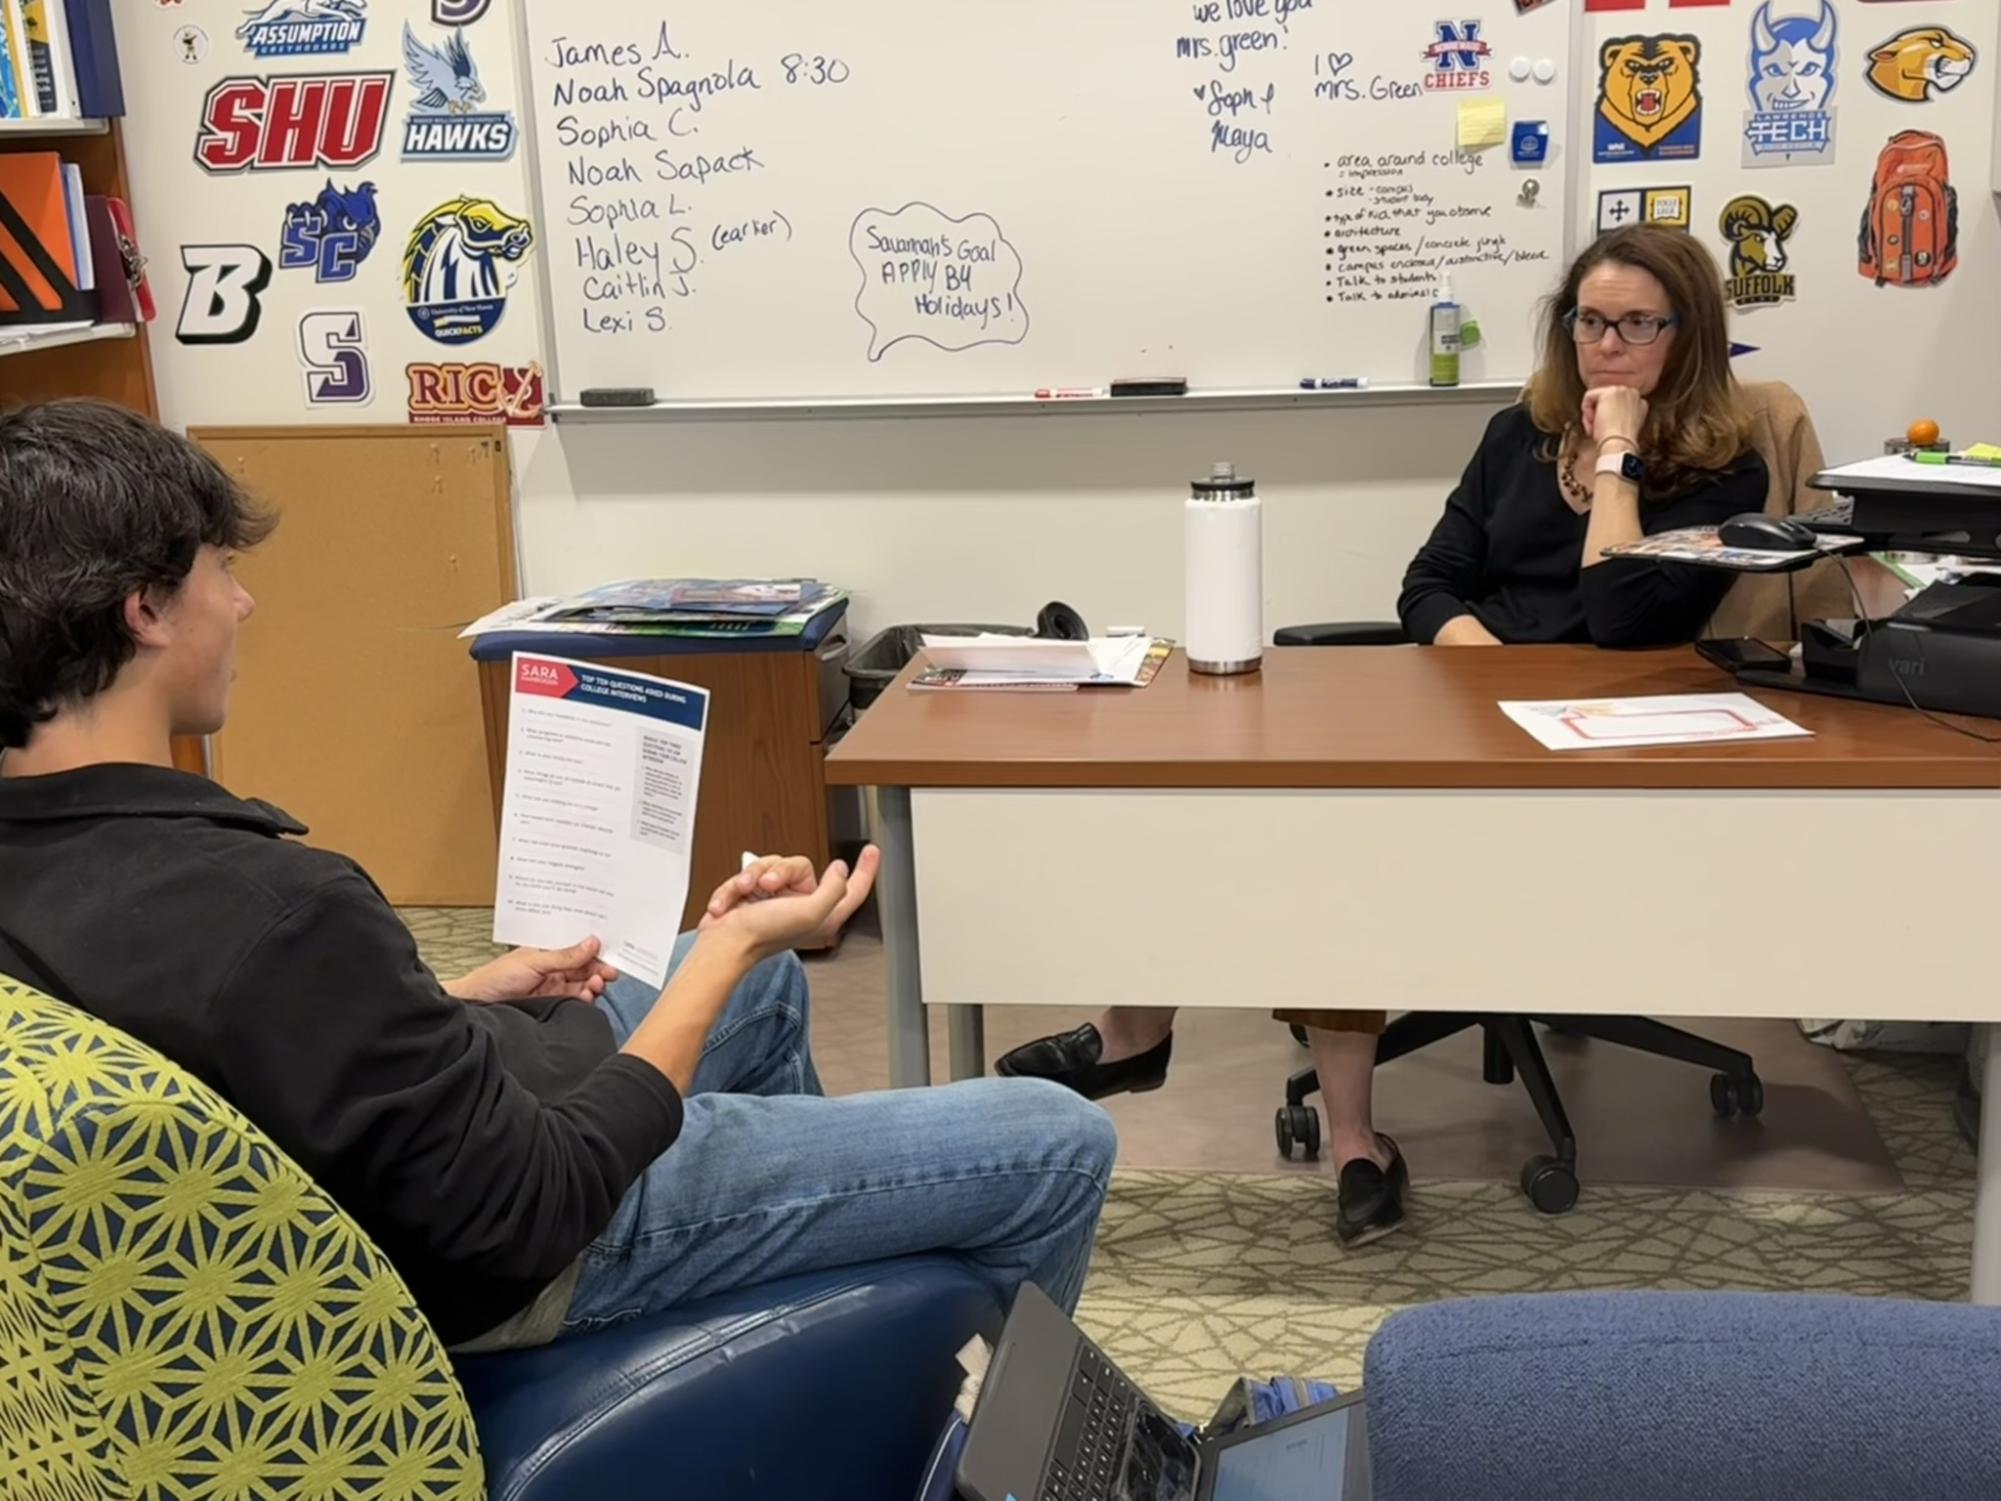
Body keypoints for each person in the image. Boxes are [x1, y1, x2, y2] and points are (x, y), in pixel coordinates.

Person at [0, 399, 1117, 1352]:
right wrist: (724, 947)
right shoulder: (276, 913)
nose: (240, 604)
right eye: (221, 573)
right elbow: (529, 1208)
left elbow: (228, 1057)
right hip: (511, 1250)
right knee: (1062, 1140)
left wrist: (441, 1003)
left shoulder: (56, 870)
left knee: (767, 991)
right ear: (144, 608)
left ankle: (798, 1351)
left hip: (408, 1158)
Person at [998, 225, 1769, 1248]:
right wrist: (1477, 649)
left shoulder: (1727, 475)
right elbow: (1427, 580)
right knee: (1280, 801)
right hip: (1472, 713)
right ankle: (1337, 1125)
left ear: (1690, 335)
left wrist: (1619, 451)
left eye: (1637, 324)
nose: (1606, 346)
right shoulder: (1518, 437)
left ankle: (1149, 1041)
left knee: (1340, 850)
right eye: (1589, 321)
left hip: (1600, 757)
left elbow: (1623, 614)